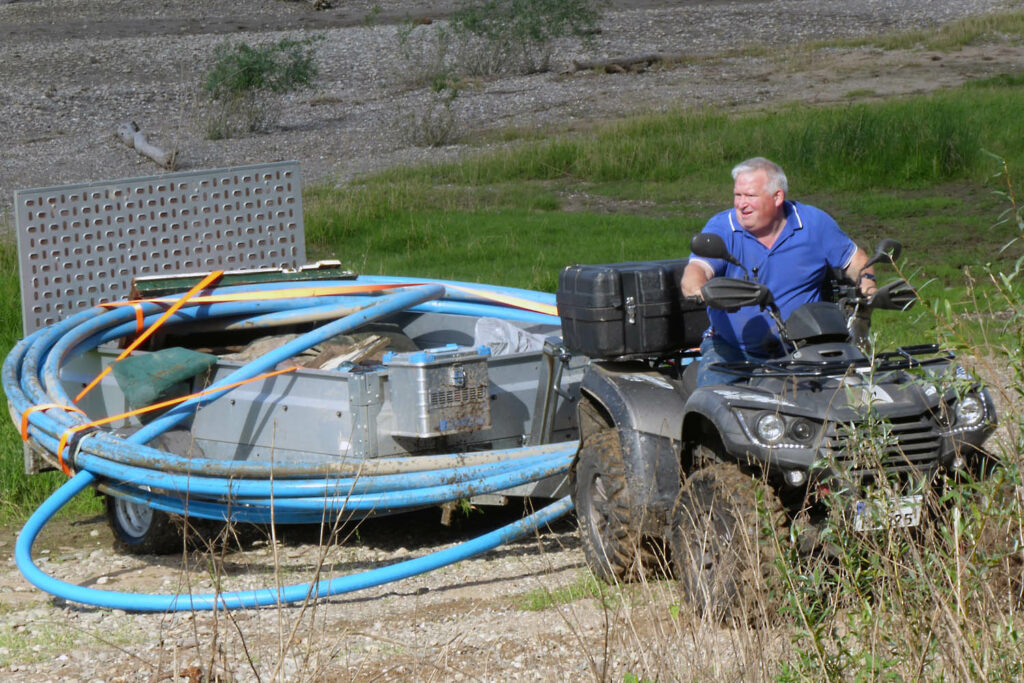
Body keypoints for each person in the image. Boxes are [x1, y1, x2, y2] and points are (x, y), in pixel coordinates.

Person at [681, 157, 877, 387]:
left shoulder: (813, 223)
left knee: (851, 394)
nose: (741, 204)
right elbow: (696, 270)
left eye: (750, 196)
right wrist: (701, 290)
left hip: (805, 344)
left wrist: (868, 284)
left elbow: (855, 259)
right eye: (738, 195)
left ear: (777, 197)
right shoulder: (723, 228)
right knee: (712, 402)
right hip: (733, 348)